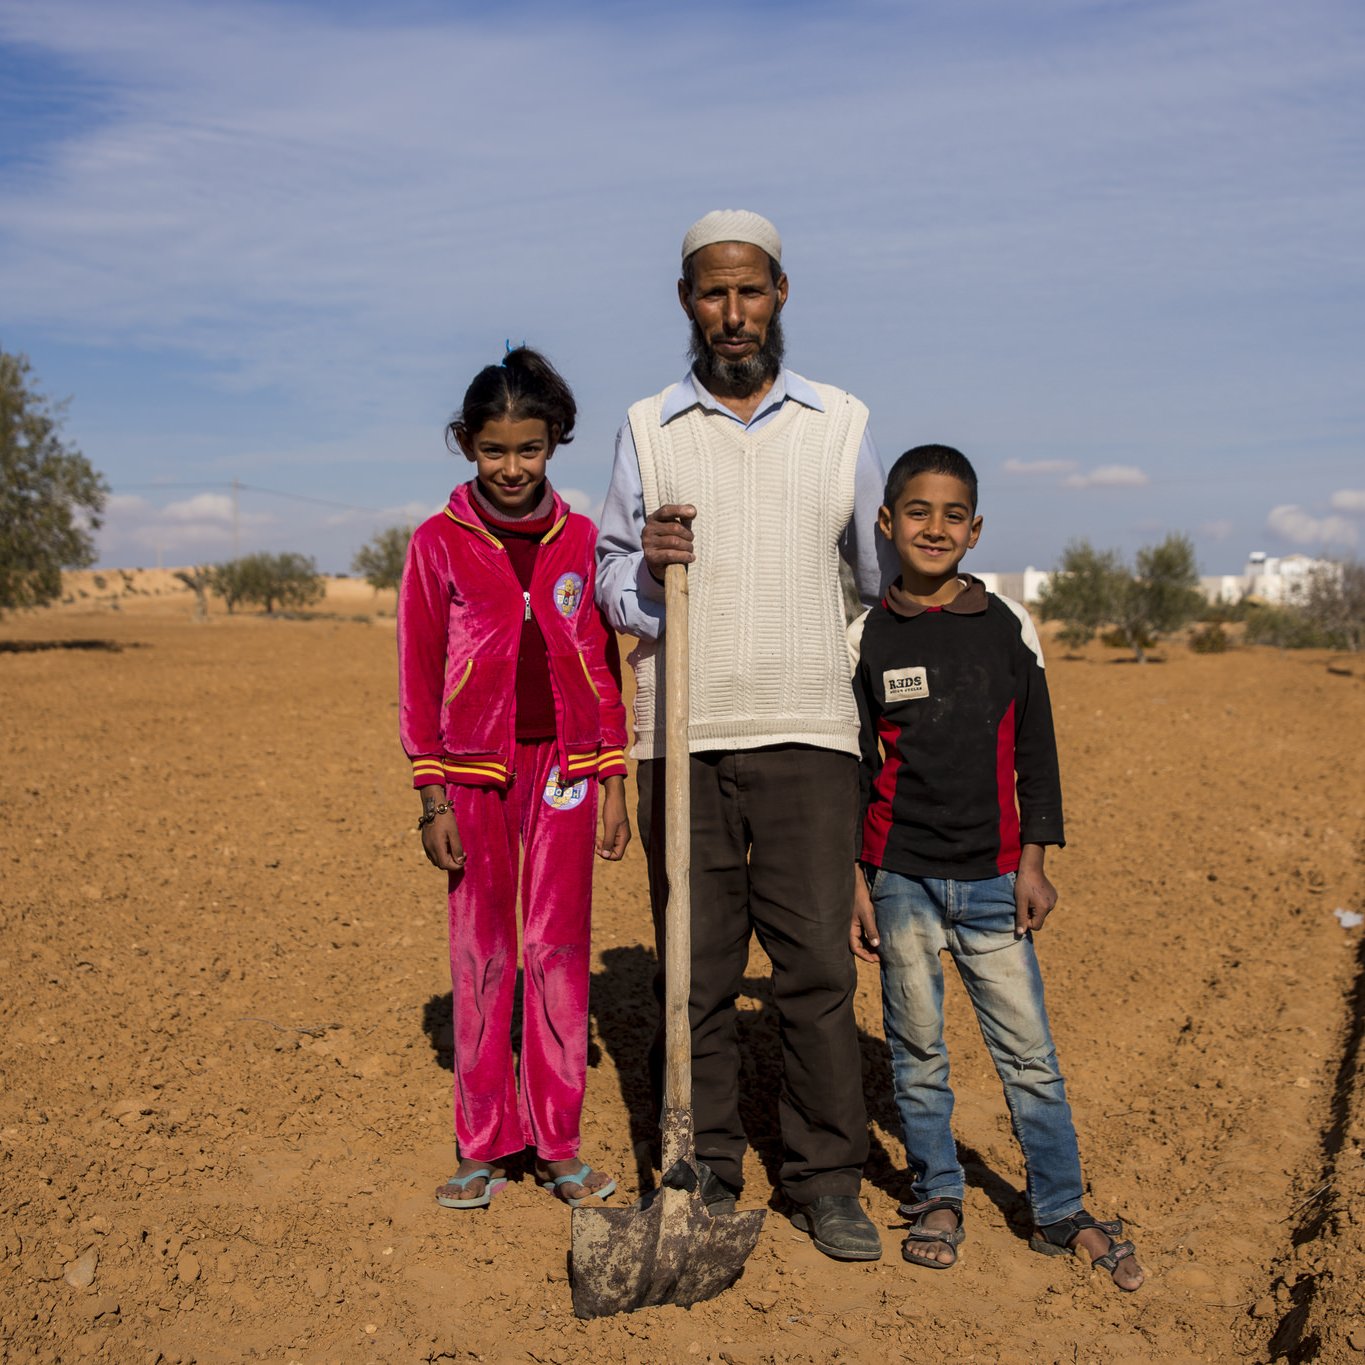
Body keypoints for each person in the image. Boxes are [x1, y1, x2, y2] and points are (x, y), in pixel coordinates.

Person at [596, 210, 894, 1261]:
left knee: (815, 966)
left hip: (811, 734)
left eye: (750, 292)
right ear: (687, 301)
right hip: (685, 735)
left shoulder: (843, 423)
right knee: (696, 970)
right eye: (712, 294)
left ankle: (828, 1181)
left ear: (779, 293)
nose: (732, 314)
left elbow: (869, 583)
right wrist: (643, 567)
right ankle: (704, 1173)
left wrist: (842, 692)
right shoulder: (647, 429)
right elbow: (609, 583)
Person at [849, 443, 1145, 1290]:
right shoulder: (864, 635)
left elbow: (1038, 754)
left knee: (1029, 1056)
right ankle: (937, 1194)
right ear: (886, 521)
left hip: (991, 877)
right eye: (916, 511)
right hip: (899, 875)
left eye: (951, 515)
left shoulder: (1009, 626)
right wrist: (854, 882)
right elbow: (852, 768)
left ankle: (1058, 1207)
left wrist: (1034, 860)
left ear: (974, 530)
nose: (932, 527)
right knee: (916, 1050)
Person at [398, 346, 632, 1211]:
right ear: (465, 445)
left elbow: (600, 665)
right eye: (494, 450)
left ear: (554, 444)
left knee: (558, 952)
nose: (510, 467)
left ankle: (559, 1142)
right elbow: (418, 674)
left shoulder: (581, 541)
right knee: (484, 953)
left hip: (564, 772)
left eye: (527, 449)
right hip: (469, 775)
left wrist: (611, 777)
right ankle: (484, 1141)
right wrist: (430, 795)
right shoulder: (436, 545)